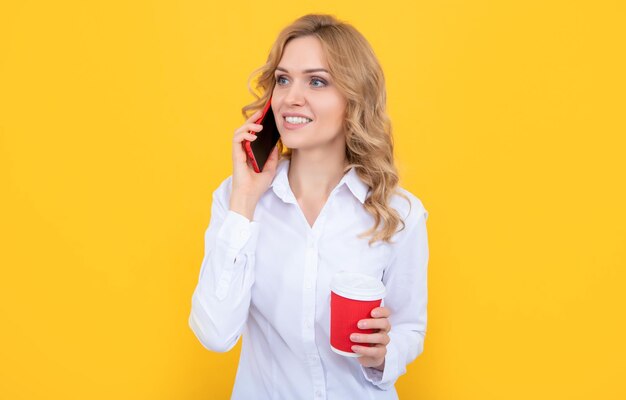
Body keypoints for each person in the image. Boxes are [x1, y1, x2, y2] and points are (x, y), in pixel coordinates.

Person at [189, 14, 429, 399]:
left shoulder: (398, 212)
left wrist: (385, 354)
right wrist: (245, 199)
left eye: (316, 81)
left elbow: (409, 327)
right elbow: (215, 334)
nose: (290, 97)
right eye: (283, 79)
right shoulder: (239, 200)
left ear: (354, 99)